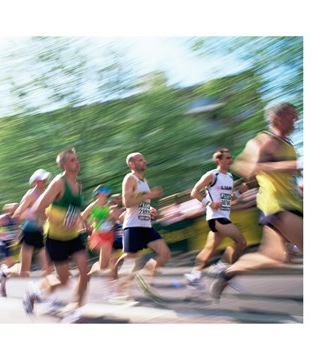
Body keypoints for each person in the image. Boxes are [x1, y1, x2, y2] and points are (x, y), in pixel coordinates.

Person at [210, 102, 303, 300]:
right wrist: (289, 165)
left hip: (291, 203)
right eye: (292, 116)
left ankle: (227, 273)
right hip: (277, 205)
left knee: (275, 257)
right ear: (278, 118)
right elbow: (246, 166)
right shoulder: (264, 139)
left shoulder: (287, 143)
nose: (297, 119)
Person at [22, 148, 88, 322]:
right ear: (64, 165)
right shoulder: (59, 182)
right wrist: (56, 221)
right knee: (65, 280)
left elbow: (73, 209)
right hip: (55, 238)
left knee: (84, 273)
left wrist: (83, 222)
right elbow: (37, 208)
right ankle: (35, 292)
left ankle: (74, 309)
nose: (77, 162)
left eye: (77, 158)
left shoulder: (78, 185)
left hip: (73, 236)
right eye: (73, 160)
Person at [184, 148, 248, 290]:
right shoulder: (212, 175)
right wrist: (210, 203)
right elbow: (194, 192)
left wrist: (239, 192)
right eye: (227, 158)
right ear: (218, 160)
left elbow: (228, 199)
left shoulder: (230, 177)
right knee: (241, 241)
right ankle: (222, 268)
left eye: (230, 158)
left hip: (224, 215)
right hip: (216, 217)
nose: (230, 160)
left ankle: (194, 276)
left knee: (209, 249)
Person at [112, 152, 171, 296]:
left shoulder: (144, 181)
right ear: (132, 164)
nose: (144, 161)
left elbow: (141, 202)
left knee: (165, 254)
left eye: (144, 159)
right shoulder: (129, 178)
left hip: (146, 226)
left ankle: (144, 277)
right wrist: (149, 195)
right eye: (140, 160)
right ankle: (121, 292)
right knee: (132, 258)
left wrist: (149, 208)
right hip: (133, 226)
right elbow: (127, 203)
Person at [0, 169, 53, 296]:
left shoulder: (47, 195)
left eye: (45, 179)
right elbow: (18, 213)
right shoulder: (31, 194)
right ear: (36, 181)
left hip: (41, 233)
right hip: (28, 233)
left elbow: (48, 214)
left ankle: (47, 296)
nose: (45, 181)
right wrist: (26, 214)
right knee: (23, 272)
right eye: (42, 179)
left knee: (48, 267)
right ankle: (4, 272)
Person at [81, 185, 117, 278]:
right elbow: (82, 217)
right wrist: (87, 225)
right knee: (113, 257)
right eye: (103, 190)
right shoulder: (93, 205)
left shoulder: (106, 207)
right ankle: (116, 281)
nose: (106, 192)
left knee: (103, 266)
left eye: (107, 190)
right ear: (97, 194)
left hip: (109, 234)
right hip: (99, 236)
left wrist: (112, 217)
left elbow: (111, 220)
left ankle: (88, 275)